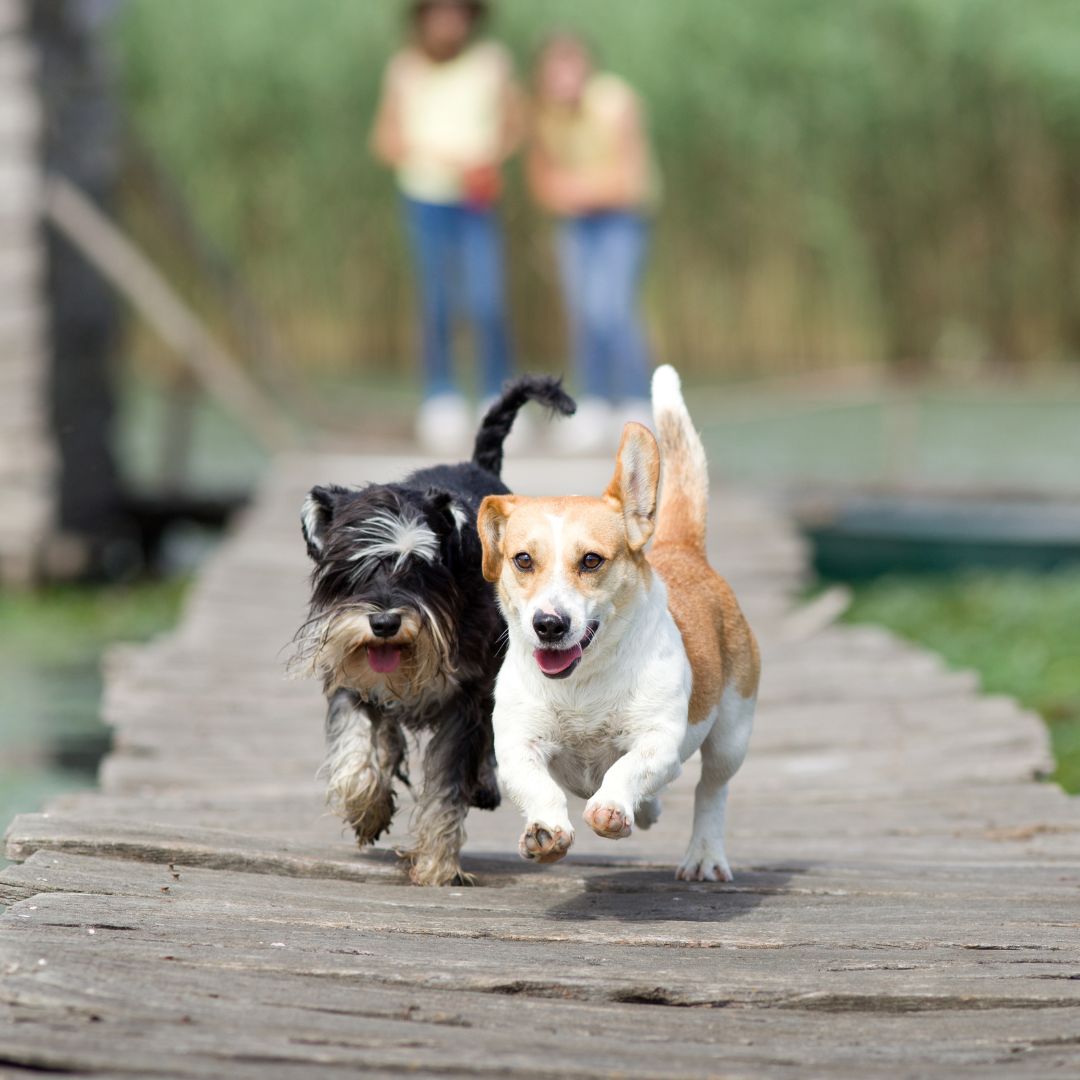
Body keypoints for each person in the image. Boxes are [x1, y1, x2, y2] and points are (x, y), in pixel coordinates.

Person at [371, 0, 521, 453]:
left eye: (457, 11)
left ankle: (500, 396)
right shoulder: (404, 68)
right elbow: (386, 139)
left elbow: (515, 122)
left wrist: (487, 157)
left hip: (476, 198)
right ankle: (440, 395)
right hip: (424, 196)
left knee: (487, 297)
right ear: (422, 17)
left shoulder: (491, 62)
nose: (448, 20)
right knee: (435, 298)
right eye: (439, 11)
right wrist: (442, 158)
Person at [528, 33, 659, 452]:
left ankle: (638, 403)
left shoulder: (616, 102)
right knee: (583, 311)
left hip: (622, 219)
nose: (563, 80)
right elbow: (542, 181)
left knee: (614, 307)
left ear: (586, 69)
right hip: (577, 224)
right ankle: (594, 403)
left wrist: (576, 190)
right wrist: (576, 191)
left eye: (570, 69)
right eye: (554, 72)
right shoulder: (545, 114)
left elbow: (629, 180)